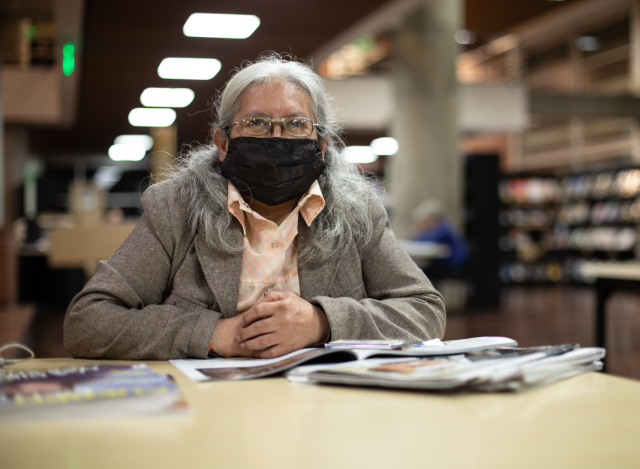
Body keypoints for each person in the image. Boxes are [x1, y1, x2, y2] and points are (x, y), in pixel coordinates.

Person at [64, 55, 445, 360]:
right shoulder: (175, 207)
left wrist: (321, 322)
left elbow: (425, 311)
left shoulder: (357, 212)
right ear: (223, 142)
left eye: (296, 124)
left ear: (323, 144)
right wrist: (214, 334)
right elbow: (88, 321)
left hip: (329, 417)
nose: (276, 138)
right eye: (258, 123)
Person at [412, 199, 468, 272]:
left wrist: (421, 230)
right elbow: (418, 243)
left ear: (432, 217)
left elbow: (427, 243)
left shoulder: (443, 228)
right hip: (443, 261)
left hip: (454, 263)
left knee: (421, 271)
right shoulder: (436, 228)